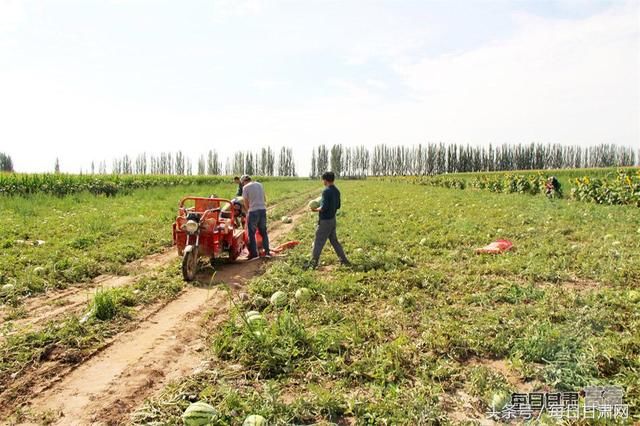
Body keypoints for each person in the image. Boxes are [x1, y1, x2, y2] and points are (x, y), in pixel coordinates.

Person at [307, 171, 349, 269]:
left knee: (318, 241)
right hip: (332, 220)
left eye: (323, 180)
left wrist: (315, 209)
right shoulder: (337, 191)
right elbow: (338, 206)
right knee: (334, 241)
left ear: (325, 180)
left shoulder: (326, 191)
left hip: (325, 221)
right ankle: (344, 260)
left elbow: (324, 207)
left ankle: (313, 263)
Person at [240, 175, 270, 260]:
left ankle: (254, 254)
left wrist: (247, 211)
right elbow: (264, 198)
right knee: (263, 232)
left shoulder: (245, 187)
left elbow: (245, 202)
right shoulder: (259, 184)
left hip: (253, 211)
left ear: (243, 182)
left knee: (251, 233)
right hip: (262, 210)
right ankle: (267, 252)